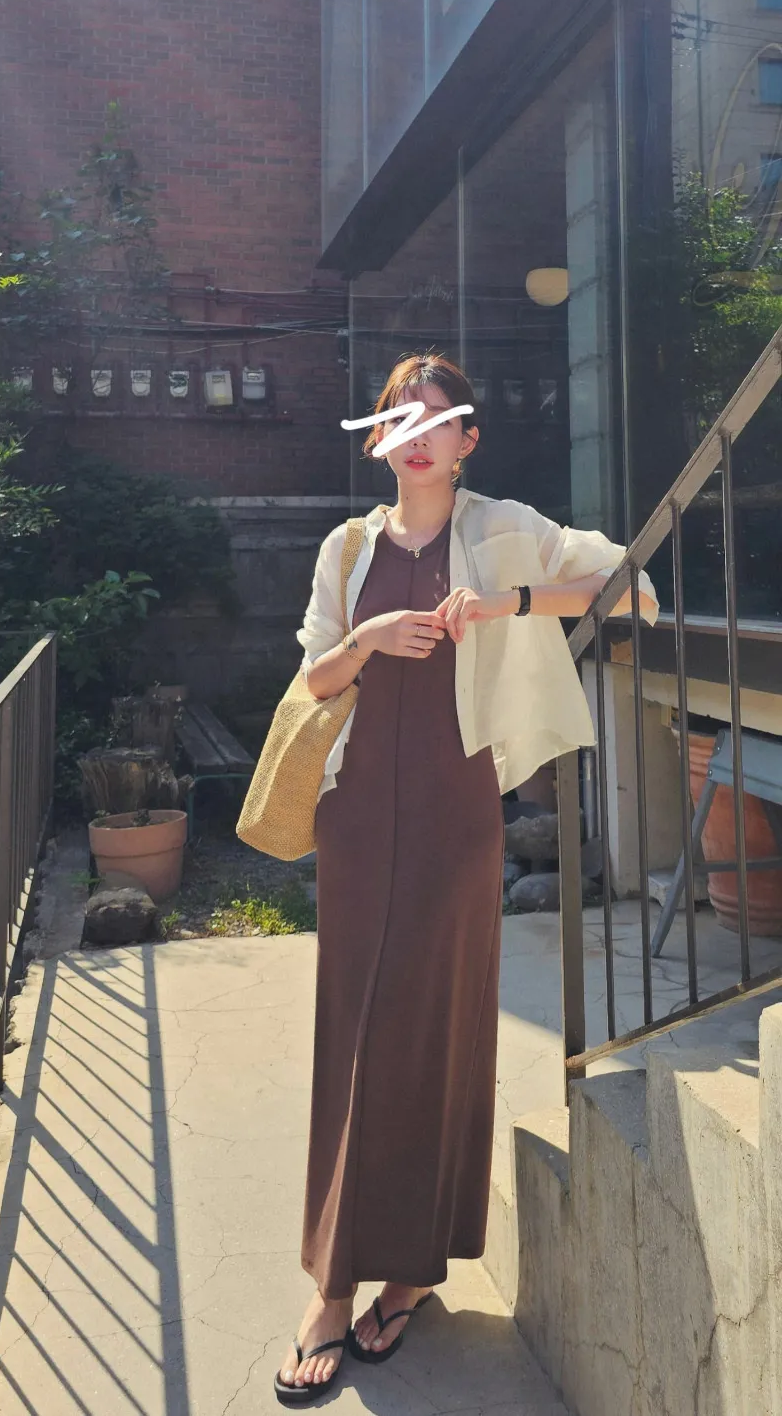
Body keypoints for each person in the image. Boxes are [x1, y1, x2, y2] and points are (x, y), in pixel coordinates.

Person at [275, 353, 658, 1403]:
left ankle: (409, 1272)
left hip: (456, 812)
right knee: (353, 1031)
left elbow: (630, 581)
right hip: (357, 814)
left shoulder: (501, 530)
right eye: (397, 419)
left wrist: (509, 603)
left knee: (440, 1029)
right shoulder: (347, 547)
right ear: (379, 440)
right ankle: (332, 1285)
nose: (414, 435)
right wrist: (365, 637)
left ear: (465, 441)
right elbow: (312, 677)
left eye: (434, 419)